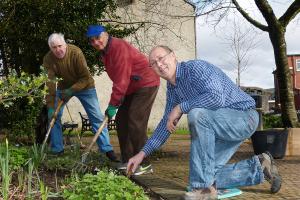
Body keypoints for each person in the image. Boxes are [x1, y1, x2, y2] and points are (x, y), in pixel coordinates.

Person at [126, 45, 282, 199]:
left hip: (243, 118)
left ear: (173, 56)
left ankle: (203, 191)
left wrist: (181, 107)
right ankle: (261, 166)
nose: (159, 64)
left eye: (161, 58)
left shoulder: (196, 68)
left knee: (197, 114)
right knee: (203, 172)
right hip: (218, 128)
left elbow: (216, 97)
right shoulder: (173, 90)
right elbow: (165, 126)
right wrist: (141, 154)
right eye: (153, 63)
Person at [86, 25, 160, 175]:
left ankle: (144, 164)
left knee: (135, 120)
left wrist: (113, 104)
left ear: (106, 34)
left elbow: (121, 79)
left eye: (98, 38)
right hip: (131, 88)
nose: (96, 42)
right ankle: (128, 161)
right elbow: (120, 80)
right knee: (121, 120)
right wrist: (116, 102)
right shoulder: (105, 53)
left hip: (146, 83)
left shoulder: (118, 47)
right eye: (92, 41)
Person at [43, 33, 118, 162]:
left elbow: (85, 77)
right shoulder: (48, 59)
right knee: (53, 116)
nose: (58, 50)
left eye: (60, 46)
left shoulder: (75, 53)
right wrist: (50, 106)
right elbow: (49, 84)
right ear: (50, 48)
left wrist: (72, 90)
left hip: (85, 87)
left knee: (96, 117)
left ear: (65, 44)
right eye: (54, 47)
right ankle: (57, 149)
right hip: (63, 88)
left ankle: (107, 150)